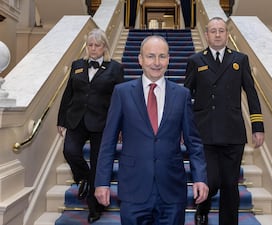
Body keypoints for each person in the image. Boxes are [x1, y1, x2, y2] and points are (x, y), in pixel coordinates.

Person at [94, 35, 209, 225]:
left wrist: (200, 178)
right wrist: (102, 182)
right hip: (133, 188)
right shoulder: (122, 93)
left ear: (168, 59)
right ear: (140, 59)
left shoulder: (182, 95)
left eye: (162, 56)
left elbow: (194, 142)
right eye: (150, 56)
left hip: (172, 190)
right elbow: (108, 142)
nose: (156, 62)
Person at [184, 17, 265, 225]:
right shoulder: (196, 60)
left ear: (227, 34)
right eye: (213, 31)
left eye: (221, 30)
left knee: (230, 184)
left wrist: (257, 126)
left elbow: (251, 93)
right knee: (211, 180)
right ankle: (202, 206)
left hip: (232, 132)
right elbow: (184, 97)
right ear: (207, 34)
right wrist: (183, 128)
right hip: (205, 132)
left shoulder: (240, 59)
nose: (217, 34)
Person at [57, 28, 124, 223]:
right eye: (90, 45)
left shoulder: (116, 69)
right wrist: (61, 120)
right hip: (76, 119)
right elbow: (68, 94)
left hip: (102, 123)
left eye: (97, 45)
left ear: (104, 47)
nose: (93, 49)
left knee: (98, 165)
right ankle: (84, 179)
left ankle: (95, 208)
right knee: (69, 151)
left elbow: (120, 100)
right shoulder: (77, 65)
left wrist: (119, 126)